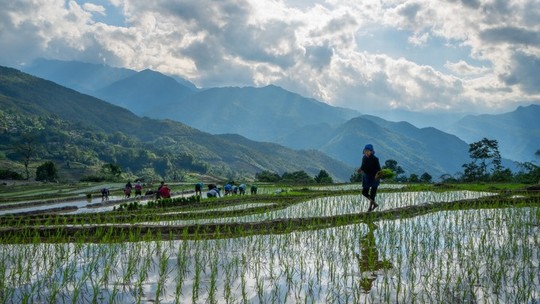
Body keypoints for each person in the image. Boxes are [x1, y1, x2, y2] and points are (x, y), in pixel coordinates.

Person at [357, 144, 382, 212]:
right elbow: (363, 166)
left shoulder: (375, 159)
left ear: (371, 151)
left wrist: (377, 175)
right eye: (365, 151)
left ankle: (370, 208)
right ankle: (375, 204)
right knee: (364, 192)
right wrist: (360, 169)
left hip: (374, 177)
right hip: (366, 177)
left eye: (368, 151)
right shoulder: (364, 158)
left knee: (372, 194)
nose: (366, 152)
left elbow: (379, 169)